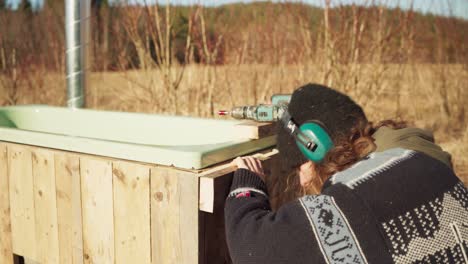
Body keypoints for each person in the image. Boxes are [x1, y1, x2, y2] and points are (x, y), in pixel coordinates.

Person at [225, 83, 468, 264]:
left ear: (315, 150)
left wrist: (248, 184)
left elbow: (250, 250)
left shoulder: (349, 207)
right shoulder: (417, 160)